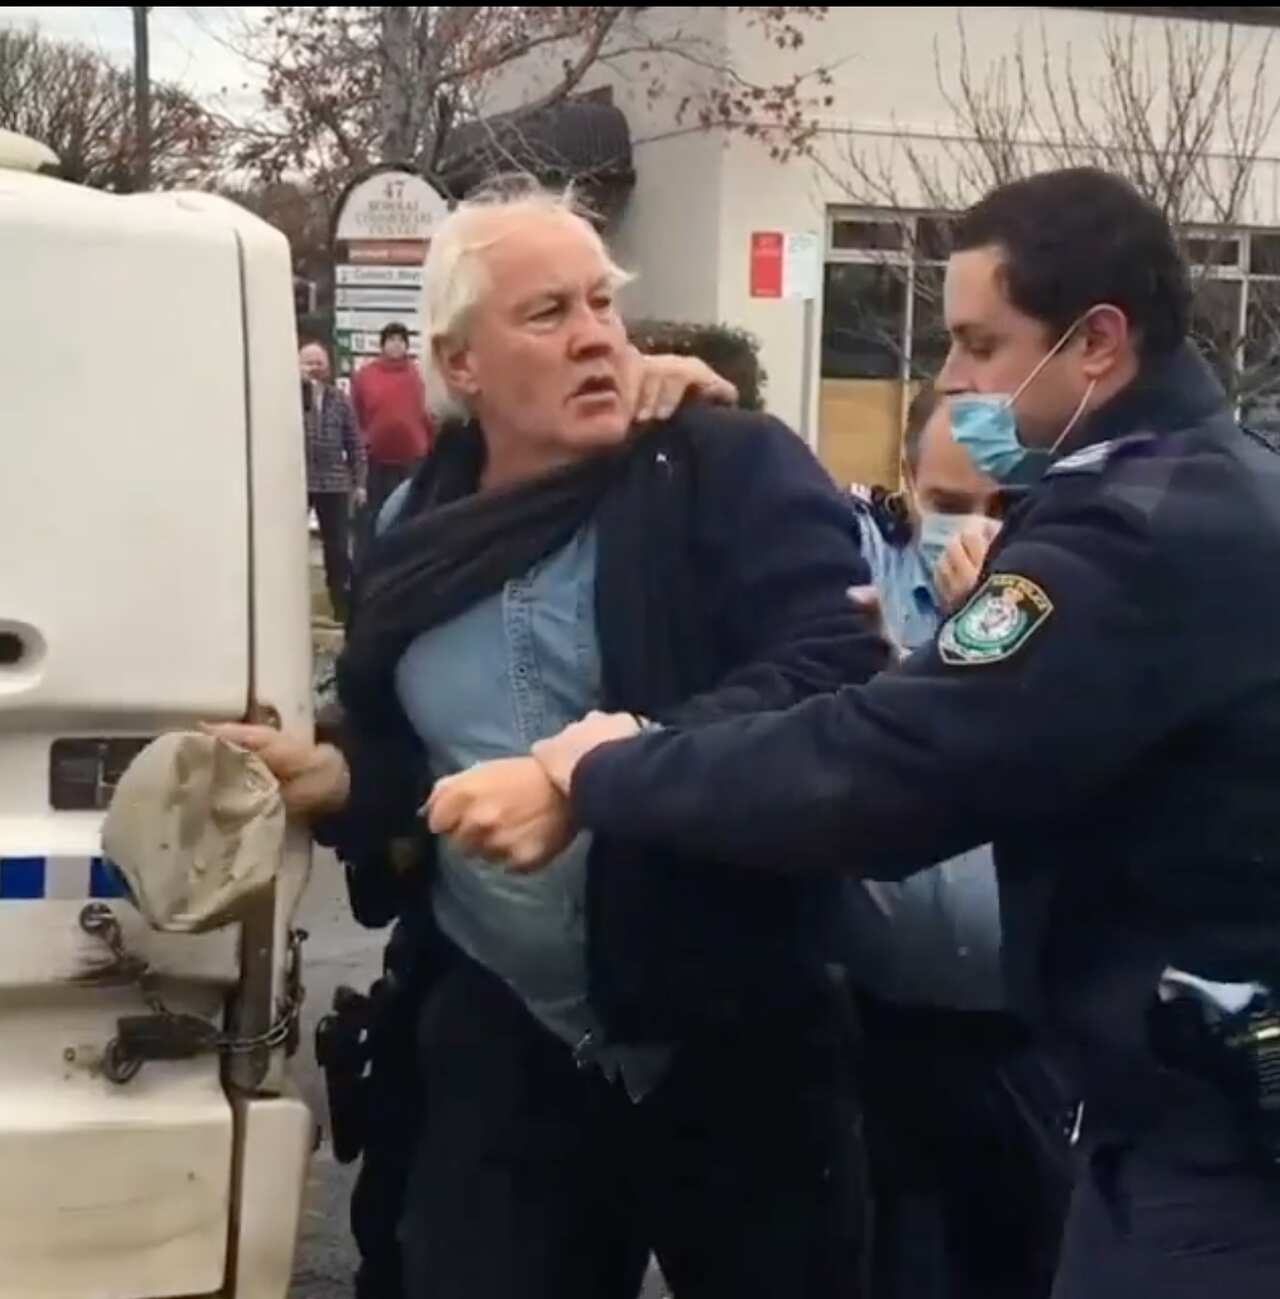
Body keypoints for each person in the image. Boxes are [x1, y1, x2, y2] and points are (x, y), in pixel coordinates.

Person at [467, 168, 1280, 1299]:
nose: (950, 377)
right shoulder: (1206, 484)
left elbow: (877, 771)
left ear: (1094, 343)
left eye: (979, 344)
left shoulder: (1125, 538)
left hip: (1205, 1138)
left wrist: (605, 766)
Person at [217, 184, 886, 1299]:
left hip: (731, 1026)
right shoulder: (408, 529)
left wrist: (601, 775)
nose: (593, 337)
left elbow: (832, 673)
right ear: (461, 363)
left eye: (601, 306)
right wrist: (339, 777)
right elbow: (407, 750)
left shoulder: (719, 469)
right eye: (545, 315)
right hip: (502, 1037)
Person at [845, 386, 1070, 1299]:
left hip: (1027, 1035)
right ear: (906, 484)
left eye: (1001, 507)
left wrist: (998, 621)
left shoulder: (1077, 591)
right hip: (873, 1023)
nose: (973, 529)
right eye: (948, 504)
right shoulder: (859, 558)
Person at [301, 340, 365, 623]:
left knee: (337, 547)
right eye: (308, 362)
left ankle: (341, 606)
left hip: (334, 481)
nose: (314, 368)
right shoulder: (286, 398)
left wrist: (359, 481)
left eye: (319, 362)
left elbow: (354, 442)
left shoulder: (339, 399)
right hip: (297, 481)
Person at [350, 322, 433, 535]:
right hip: (374, 461)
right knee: (371, 516)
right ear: (382, 345)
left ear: (407, 346)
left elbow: (431, 414)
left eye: (400, 340)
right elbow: (355, 414)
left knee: (410, 515)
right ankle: (366, 564)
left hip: (412, 460)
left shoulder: (420, 376)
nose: (396, 345)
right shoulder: (365, 376)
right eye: (391, 340)